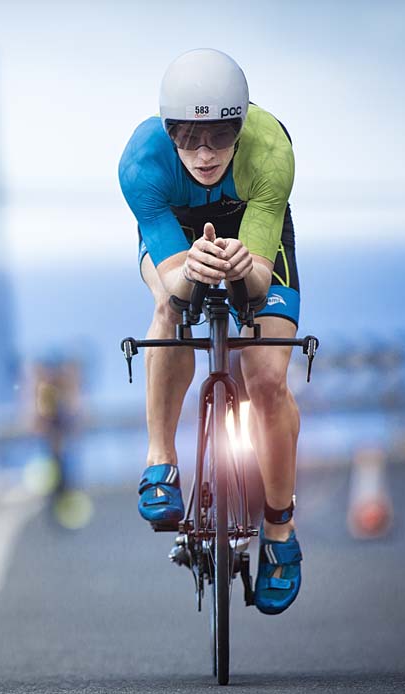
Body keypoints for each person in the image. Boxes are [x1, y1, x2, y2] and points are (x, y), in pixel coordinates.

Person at [117, 48, 302, 615]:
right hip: (177, 232)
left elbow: (258, 280)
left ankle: (280, 529)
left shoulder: (270, 150)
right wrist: (190, 272)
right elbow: (172, 280)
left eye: (220, 135)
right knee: (171, 310)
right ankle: (160, 459)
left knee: (266, 377)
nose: (203, 153)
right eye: (187, 136)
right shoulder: (142, 161)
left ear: (240, 127)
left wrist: (245, 268)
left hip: (254, 234)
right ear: (167, 129)